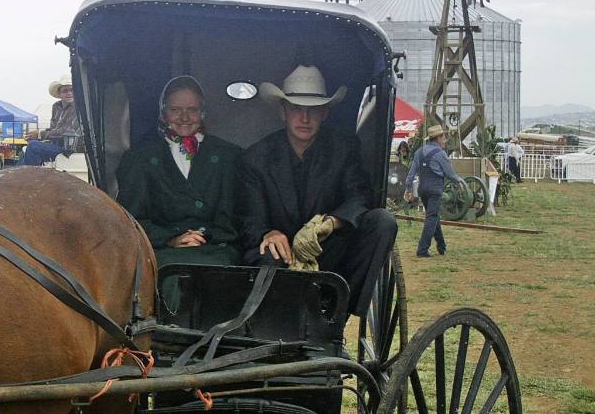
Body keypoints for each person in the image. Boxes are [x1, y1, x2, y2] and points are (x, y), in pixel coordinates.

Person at [237, 64, 397, 316]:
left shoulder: (343, 149)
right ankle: (275, 323)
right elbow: (248, 217)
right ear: (283, 112)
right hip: (281, 257)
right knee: (269, 255)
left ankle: (336, 316)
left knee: (383, 222)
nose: (304, 118)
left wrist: (332, 222)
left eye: (313, 110)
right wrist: (269, 233)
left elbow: (359, 194)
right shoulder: (256, 158)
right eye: (296, 109)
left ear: (325, 113)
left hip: (327, 249)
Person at [116, 75, 241, 268]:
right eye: (175, 110)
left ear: (203, 113)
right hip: (164, 251)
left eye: (192, 110)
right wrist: (170, 239)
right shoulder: (138, 158)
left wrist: (205, 236)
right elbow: (130, 218)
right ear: (163, 113)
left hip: (217, 249)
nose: (184, 117)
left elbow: (237, 215)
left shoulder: (229, 155)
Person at [403, 125, 465, 258]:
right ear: (437, 138)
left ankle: (441, 246)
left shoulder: (419, 152)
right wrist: (459, 182)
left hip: (422, 189)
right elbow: (450, 173)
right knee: (431, 217)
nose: (445, 140)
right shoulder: (440, 154)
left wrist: (408, 190)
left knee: (433, 216)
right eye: (443, 137)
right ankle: (422, 249)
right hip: (435, 189)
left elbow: (411, 174)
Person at [21, 74, 81, 166]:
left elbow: (67, 131)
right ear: (59, 94)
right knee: (24, 151)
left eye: (72, 90)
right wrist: (38, 135)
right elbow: (53, 129)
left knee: (33, 146)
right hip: (56, 145)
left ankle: (31, 177)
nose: (69, 93)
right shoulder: (56, 106)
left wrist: (40, 134)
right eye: (65, 91)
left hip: (70, 149)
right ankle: (17, 175)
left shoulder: (78, 108)